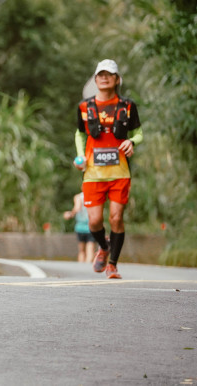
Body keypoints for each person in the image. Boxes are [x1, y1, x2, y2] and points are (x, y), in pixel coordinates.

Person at [74, 59, 143, 279]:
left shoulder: (127, 105)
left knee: (116, 218)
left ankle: (112, 265)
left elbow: (138, 133)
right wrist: (80, 156)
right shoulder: (84, 107)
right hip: (93, 173)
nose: (104, 78)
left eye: (109, 74)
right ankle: (104, 247)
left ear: (117, 79)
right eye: (100, 75)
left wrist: (132, 142)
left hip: (119, 172)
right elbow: (79, 133)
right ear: (95, 80)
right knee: (94, 221)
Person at [64, 192, 96, 263]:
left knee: (81, 251)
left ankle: (81, 266)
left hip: (80, 228)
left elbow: (77, 208)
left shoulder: (78, 197)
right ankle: (87, 267)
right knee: (90, 250)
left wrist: (71, 214)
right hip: (91, 227)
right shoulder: (94, 196)